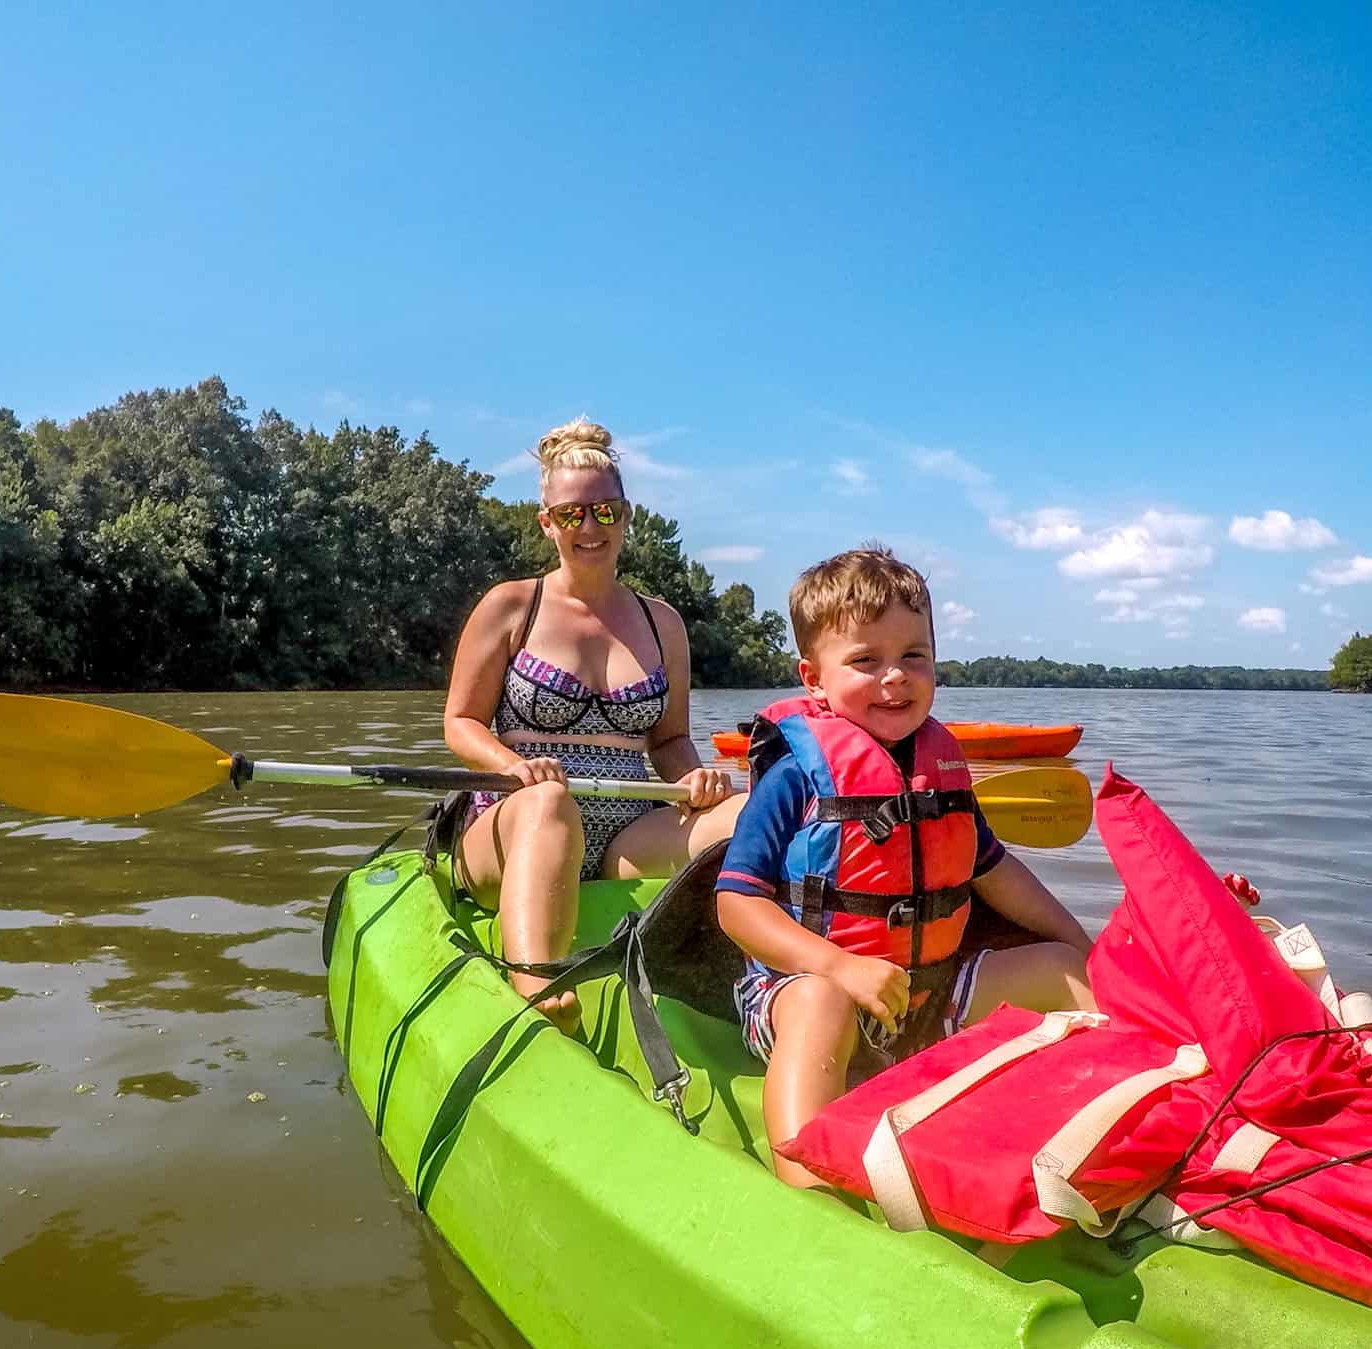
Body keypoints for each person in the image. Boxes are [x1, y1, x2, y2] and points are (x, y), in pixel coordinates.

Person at [714, 547, 1095, 1188]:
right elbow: (736, 905)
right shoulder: (792, 774)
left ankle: (1150, 1091)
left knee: (1068, 968)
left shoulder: (940, 769)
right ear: (814, 678)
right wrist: (838, 965)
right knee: (820, 1004)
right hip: (805, 990)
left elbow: (997, 872)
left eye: (913, 656)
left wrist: (1083, 946)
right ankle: (806, 1179)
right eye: (865, 660)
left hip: (931, 996)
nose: (895, 676)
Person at [444, 418, 742, 1033]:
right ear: (547, 522)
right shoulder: (510, 605)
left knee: (749, 812)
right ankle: (538, 984)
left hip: (625, 837)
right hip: (516, 823)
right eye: (573, 514)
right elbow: (461, 722)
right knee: (549, 802)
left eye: (605, 513)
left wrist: (700, 781)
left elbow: (669, 741)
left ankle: (779, 976)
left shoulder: (664, 624)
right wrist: (513, 767)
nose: (590, 528)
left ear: (626, 517)